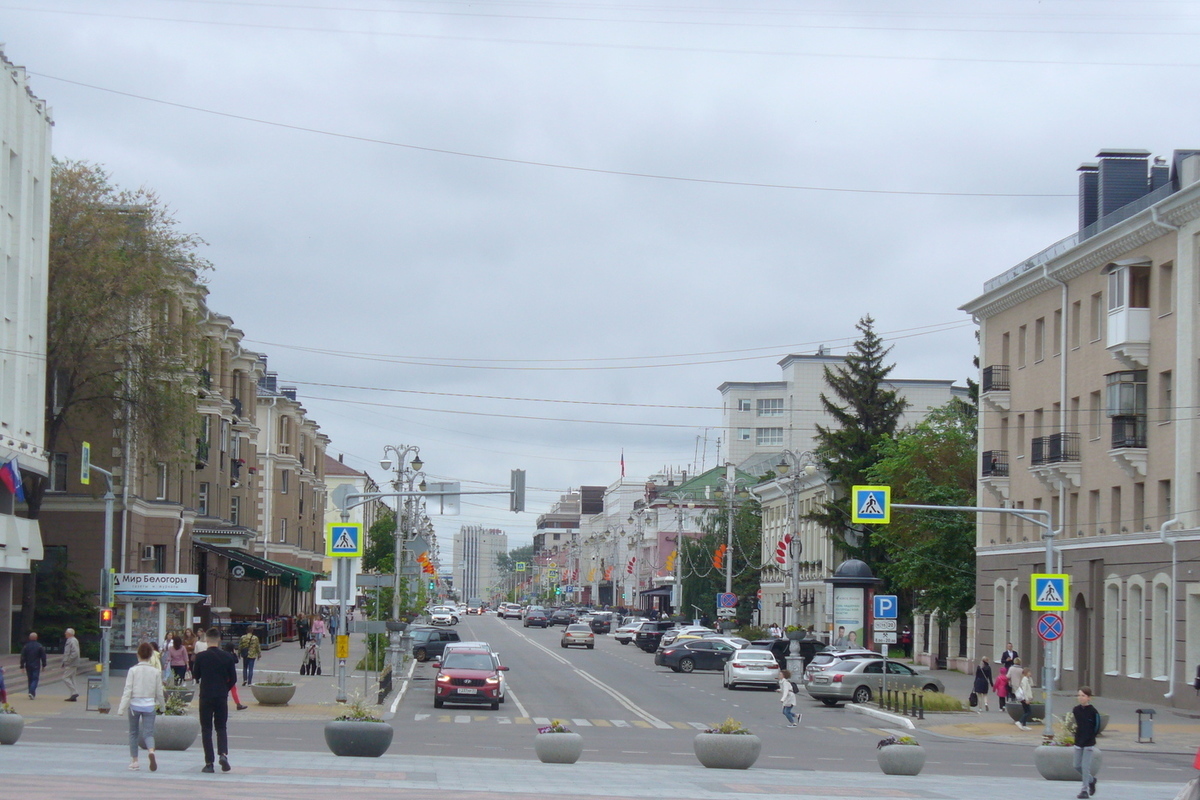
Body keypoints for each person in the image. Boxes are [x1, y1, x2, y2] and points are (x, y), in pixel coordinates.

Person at [191, 627, 237, 773]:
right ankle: (223, 754)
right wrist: (225, 689)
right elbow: (233, 679)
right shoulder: (227, 657)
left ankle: (209, 763)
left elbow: (195, 675)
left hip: (205, 695)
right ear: (219, 640)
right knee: (221, 727)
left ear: (206, 639)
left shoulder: (201, 657)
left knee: (206, 729)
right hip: (221, 696)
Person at [117, 641, 165, 772]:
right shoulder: (155, 672)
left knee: (133, 733)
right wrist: (163, 706)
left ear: (138, 655)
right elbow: (159, 691)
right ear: (150, 656)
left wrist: (121, 708)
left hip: (134, 705)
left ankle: (135, 761)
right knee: (148, 733)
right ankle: (151, 751)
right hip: (149, 705)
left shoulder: (133, 670)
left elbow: (128, 691)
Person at [1072, 687, 1100, 798]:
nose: (1080, 698)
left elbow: (1096, 726)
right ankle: (1091, 780)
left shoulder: (1093, 711)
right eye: (1079, 695)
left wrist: (1091, 737)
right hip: (1079, 741)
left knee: (1085, 767)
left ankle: (1084, 790)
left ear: (1089, 698)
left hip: (1088, 742)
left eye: (1083, 696)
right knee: (1076, 765)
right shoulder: (1076, 710)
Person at [221, 644, 250, 711]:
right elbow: (236, 660)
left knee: (224, 690)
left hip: (223, 675)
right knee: (233, 690)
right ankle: (238, 704)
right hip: (230, 675)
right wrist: (234, 653)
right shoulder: (230, 655)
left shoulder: (222, 654)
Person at [19, 632, 46, 700]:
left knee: (30, 679)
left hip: (28, 664)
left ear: (29, 638)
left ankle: (31, 692)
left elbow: (23, 656)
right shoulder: (39, 646)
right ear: (36, 638)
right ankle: (32, 691)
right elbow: (43, 656)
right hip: (36, 664)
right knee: (35, 678)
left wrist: (22, 666)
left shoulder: (26, 646)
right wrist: (44, 665)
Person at [61, 627, 80, 702]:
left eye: (66, 632)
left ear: (69, 634)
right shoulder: (71, 640)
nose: (65, 633)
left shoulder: (72, 641)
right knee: (72, 678)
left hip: (71, 663)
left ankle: (74, 692)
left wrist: (68, 660)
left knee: (65, 677)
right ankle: (73, 695)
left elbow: (75, 652)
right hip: (72, 662)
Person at [1015, 665, 1034, 731]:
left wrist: (1030, 678)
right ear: (1026, 673)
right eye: (1029, 672)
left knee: (1026, 711)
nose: (1030, 673)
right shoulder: (1024, 680)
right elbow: (1024, 690)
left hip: (1025, 698)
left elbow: (1032, 684)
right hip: (1024, 698)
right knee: (1028, 712)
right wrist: (1026, 699)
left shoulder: (1027, 679)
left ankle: (1024, 725)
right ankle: (1020, 722)